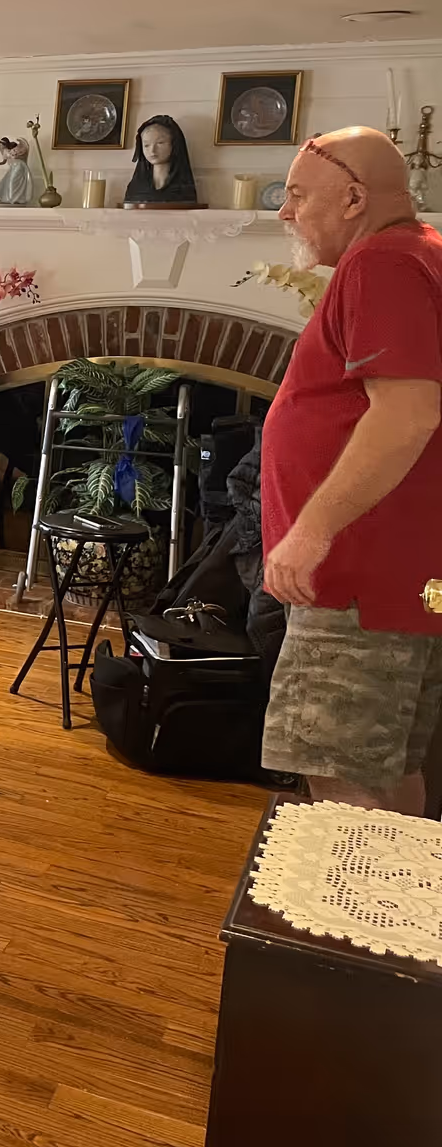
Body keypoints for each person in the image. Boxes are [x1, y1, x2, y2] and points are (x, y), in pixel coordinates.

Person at [261, 125, 442, 813]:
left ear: (354, 199)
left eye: (299, 194)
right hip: (406, 578)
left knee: (341, 777)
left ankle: (352, 917)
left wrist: (310, 532)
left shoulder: (382, 266)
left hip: (356, 582)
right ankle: (392, 913)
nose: (285, 211)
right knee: (390, 764)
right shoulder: (424, 255)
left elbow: (405, 415)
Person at [122, 115, 198, 207]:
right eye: (146, 145)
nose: (152, 150)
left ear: (174, 144)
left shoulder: (183, 188)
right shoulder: (136, 188)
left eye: (160, 143)